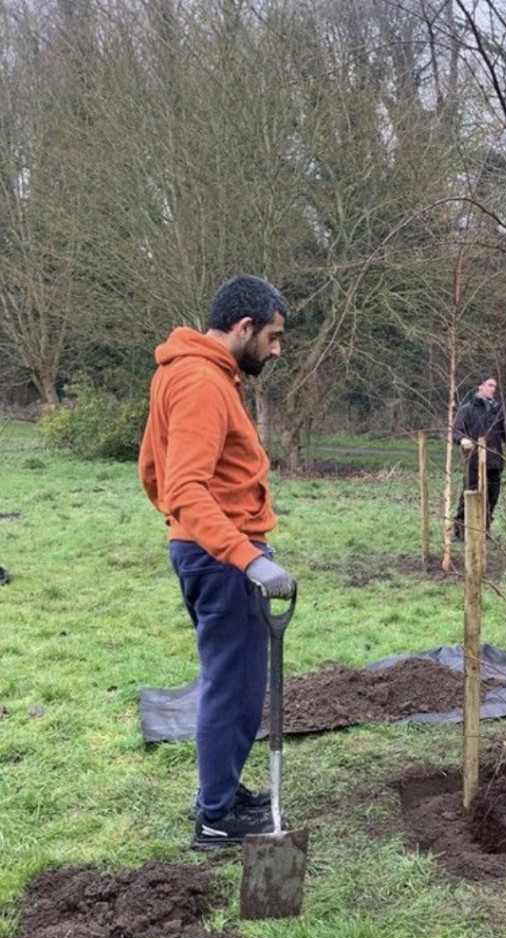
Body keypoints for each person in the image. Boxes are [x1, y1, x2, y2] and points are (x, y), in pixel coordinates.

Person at [139, 275, 297, 848]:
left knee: (236, 680)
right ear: (243, 327)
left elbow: (153, 473)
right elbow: (182, 485)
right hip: (224, 558)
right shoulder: (202, 382)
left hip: (209, 550)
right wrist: (245, 559)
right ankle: (216, 817)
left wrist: (184, 528)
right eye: (273, 337)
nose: (277, 350)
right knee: (232, 687)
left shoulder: (184, 372)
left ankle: (224, 792)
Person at [451, 373, 506, 539]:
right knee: (469, 495)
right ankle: (460, 531)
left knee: (492, 498)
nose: (493, 389)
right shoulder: (467, 409)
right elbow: (456, 431)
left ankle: (484, 530)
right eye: (490, 385)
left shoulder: (498, 411)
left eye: (495, 386)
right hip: (473, 462)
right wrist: (462, 440)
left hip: (494, 462)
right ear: (480, 387)